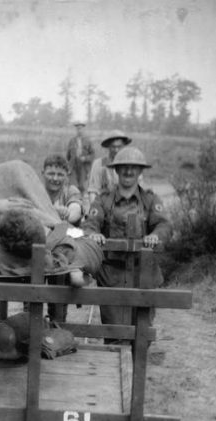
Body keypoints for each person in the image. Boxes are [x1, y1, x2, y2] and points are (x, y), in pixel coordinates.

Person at [83, 146, 171, 339]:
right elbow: (90, 224)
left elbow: (164, 225)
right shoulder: (104, 200)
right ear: (116, 170)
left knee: (142, 333)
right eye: (124, 167)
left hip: (143, 275)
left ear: (140, 172)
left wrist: (155, 235)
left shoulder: (150, 200)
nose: (128, 171)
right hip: (112, 274)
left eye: (134, 167)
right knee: (115, 334)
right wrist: (94, 234)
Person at [86, 130, 132, 205]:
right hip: (105, 205)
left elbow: (138, 190)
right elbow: (93, 190)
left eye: (119, 147)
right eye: (113, 147)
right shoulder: (99, 164)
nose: (116, 150)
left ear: (124, 147)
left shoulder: (131, 165)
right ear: (108, 147)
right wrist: (95, 207)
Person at [41, 154, 85, 226]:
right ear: (43, 173)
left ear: (67, 175)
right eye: (51, 174)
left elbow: (76, 210)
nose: (55, 178)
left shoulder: (71, 191)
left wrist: (67, 215)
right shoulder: (35, 191)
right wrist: (54, 212)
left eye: (60, 175)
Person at [66, 121, 95, 193]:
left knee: (82, 186)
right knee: (73, 186)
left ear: (83, 129)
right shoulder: (72, 141)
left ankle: (81, 201)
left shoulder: (88, 141)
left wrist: (85, 158)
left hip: (84, 167)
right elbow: (68, 155)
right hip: (73, 166)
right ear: (76, 130)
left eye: (81, 128)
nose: (79, 130)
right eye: (78, 129)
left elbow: (93, 155)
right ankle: (74, 201)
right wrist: (70, 164)